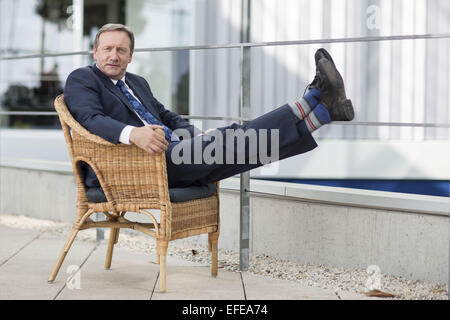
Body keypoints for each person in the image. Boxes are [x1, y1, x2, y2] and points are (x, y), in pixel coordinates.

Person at [64, 23, 354, 190]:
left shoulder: (137, 82)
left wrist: (194, 136)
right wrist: (133, 134)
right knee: (237, 141)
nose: (113, 56)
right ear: (95, 51)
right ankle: (314, 104)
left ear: (130, 56)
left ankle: (322, 112)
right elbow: (90, 119)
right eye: (107, 48)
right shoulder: (83, 78)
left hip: (174, 153)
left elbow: (166, 116)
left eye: (121, 50)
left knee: (245, 149)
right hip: (132, 165)